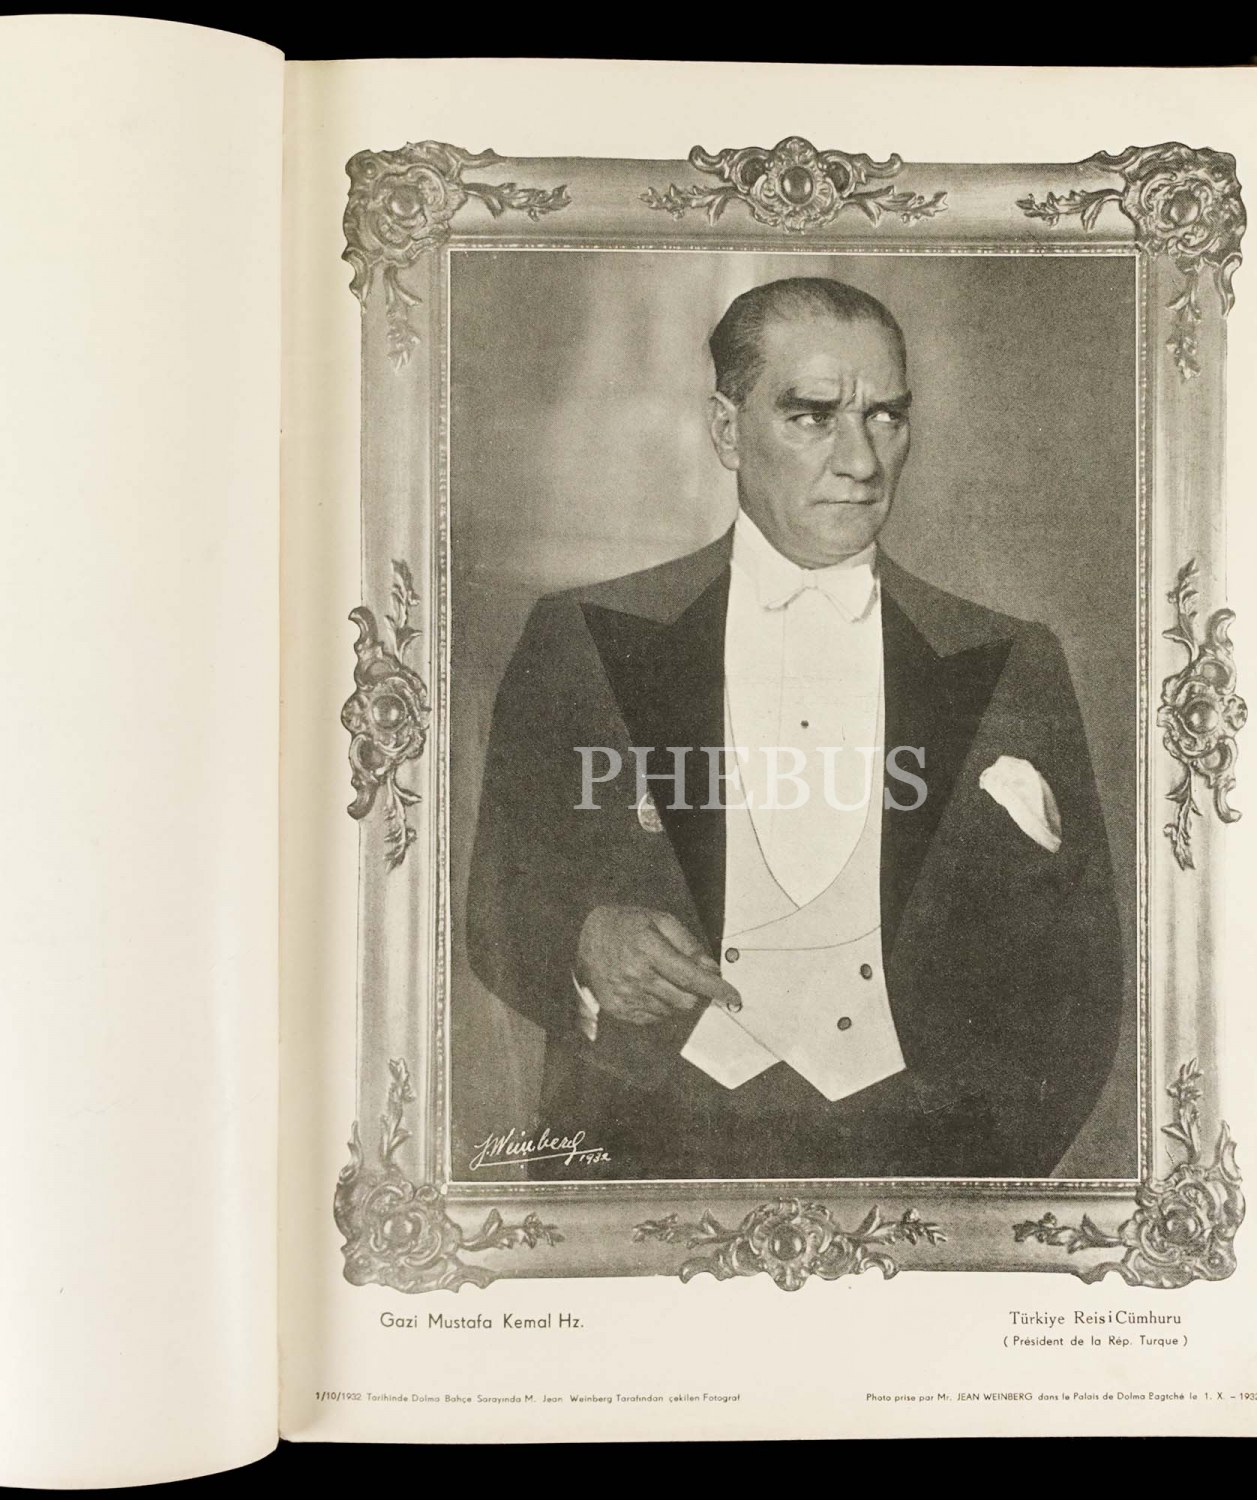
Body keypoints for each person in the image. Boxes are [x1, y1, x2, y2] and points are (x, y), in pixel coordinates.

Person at [466, 276, 1122, 1181]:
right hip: (644, 1159)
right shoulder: (581, 637)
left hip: (922, 1171)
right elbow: (498, 904)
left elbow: (1082, 976)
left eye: (885, 416)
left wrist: (984, 1187)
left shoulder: (1012, 659)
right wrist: (581, 939)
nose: (861, 460)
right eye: (812, 416)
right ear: (727, 430)